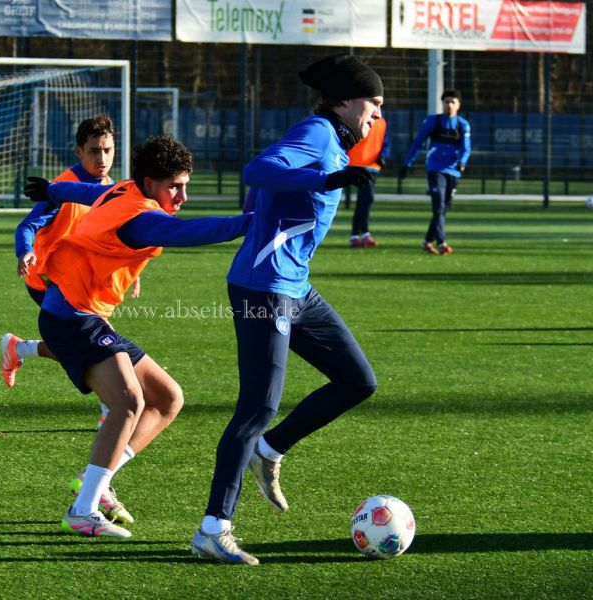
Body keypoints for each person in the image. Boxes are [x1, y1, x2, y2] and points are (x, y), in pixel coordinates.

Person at [191, 54, 382, 565]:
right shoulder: (319, 132)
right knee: (257, 405)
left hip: (295, 289)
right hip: (263, 289)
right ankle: (214, 528)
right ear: (345, 101)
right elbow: (258, 169)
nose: (377, 116)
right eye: (373, 104)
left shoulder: (335, 143)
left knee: (358, 380)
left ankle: (268, 452)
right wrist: (326, 180)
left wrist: (331, 178)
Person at [29, 135, 253, 538]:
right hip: (72, 319)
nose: (183, 194)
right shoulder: (140, 218)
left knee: (168, 398)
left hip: (84, 316)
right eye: (175, 186)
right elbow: (195, 232)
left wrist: (50, 190)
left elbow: (80, 190)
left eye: (185, 184)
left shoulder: (121, 189)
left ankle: (94, 478)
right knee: (129, 401)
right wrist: (250, 222)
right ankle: (84, 509)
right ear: (150, 183)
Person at [1, 115, 118, 396]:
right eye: (94, 151)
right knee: (103, 347)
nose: (102, 158)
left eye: (107, 150)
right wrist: (25, 251)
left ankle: (18, 348)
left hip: (84, 281)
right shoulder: (61, 189)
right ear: (79, 152)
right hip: (48, 281)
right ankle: (112, 409)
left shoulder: (109, 185)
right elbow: (27, 225)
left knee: (83, 345)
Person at [399, 90, 471, 255]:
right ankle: (442, 242)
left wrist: (462, 163)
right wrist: (407, 163)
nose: (449, 105)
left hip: (453, 172)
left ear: (459, 105)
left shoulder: (463, 124)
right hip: (435, 169)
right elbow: (418, 143)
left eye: (453, 102)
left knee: (442, 209)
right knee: (438, 206)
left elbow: (466, 148)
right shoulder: (432, 121)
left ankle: (427, 242)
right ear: (442, 103)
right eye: (447, 101)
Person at [347, 117, 389, 248]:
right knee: (367, 198)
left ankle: (358, 235)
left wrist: (383, 155)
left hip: (373, 166)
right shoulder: (359, 118)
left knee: (364, 201)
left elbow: (385, 142)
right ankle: (360, 235)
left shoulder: (382, 122)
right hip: (358, 164)